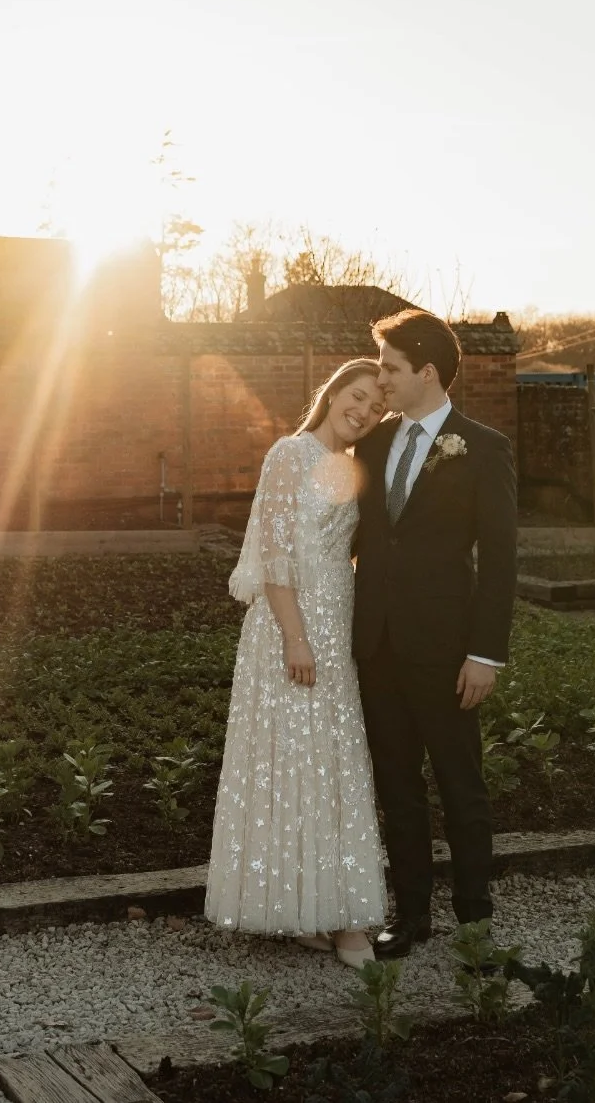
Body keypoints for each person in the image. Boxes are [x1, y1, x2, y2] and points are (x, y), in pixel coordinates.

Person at [205, 358, 388, 968]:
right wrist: (295, 637)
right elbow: (276, 554)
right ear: (333, 392)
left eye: (375, 407)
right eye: (355, 396)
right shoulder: (290, 454)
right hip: (292, 626)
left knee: (332, 763)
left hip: (338, 621)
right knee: (294, 761)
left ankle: (327, 912)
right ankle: (331, 920)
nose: (362, 411)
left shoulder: (357, 467)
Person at [352, 309, 517, 959]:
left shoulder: (483, 449)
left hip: (449, 652)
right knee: (397, 786)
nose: (382, 379)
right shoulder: (369, 444)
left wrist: (485, 654)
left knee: (459, 783)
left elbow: (501, 561)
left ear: (426, 372)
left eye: (391, 368)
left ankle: (475, 916)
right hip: (378, 647)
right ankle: (410, 914)